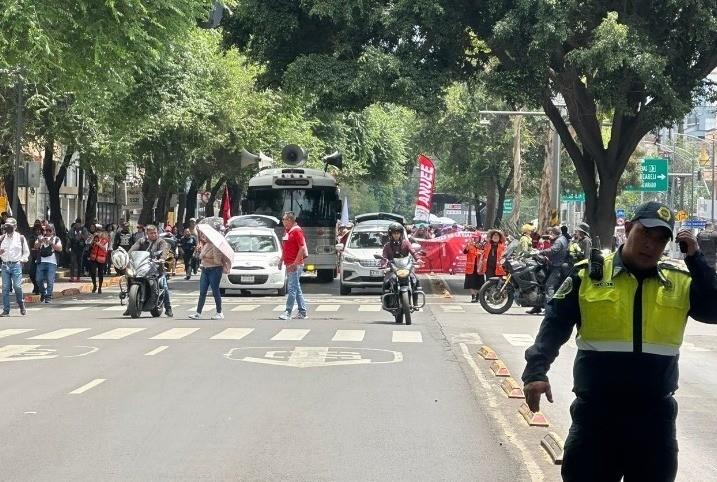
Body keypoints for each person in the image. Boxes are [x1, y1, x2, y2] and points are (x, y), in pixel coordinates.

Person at [522, 202, 717, 482]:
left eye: (661, 239)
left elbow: (713, 309)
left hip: (654, 422)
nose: (651, 244)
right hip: (596, 418)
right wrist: (535, 371)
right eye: (645, 234)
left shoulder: (679, 282)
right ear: (627, 229)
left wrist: (696, 260)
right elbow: (555, 324)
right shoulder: (588, 275)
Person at [126, 225, 173, 317]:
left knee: (163, 286)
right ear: (146, 234)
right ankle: (130, 306)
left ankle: (168, 308)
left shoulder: (161, 242)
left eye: (155, 233)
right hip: (141, 267)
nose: (153, 235)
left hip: (156, 268)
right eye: (151, 233)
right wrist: (126, 256)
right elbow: (132, 250)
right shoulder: (142, 241)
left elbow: (164, 251)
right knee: (130, 279)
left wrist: (162, 259)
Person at [381, 222, 424, 306]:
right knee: (386, 282)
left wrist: (418, 259)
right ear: (391, 234)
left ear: (401, 234)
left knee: (416, 279)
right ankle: (386, 302)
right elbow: (384, 257)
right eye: (394, 233)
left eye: (398, 233)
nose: (396, 235)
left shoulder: (406, 243)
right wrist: (384, 263)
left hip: (406, 268)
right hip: (393, 269)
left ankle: (415, 302)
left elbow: (413, 252)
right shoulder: (387, 246)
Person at [188, 230, 225, 320]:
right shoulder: (206, 245)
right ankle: (198, 313)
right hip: (205, 270)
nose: (204, 237)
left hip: (215, 270)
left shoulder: (216, 247)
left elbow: (217, 261)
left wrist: (205, 258)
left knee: (215, 291)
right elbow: (201, 257)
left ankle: (219, 312)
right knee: (202, 292)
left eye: (206, 236)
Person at [279, 211, 309, 320]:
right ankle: (302, 311)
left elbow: (301, 247)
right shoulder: (287, 231)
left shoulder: (297, 231)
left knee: (292, 288)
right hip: (289, 263)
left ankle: (288, 311)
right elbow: (285, 248)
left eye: (284, 219)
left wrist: (295, 263)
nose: (283, 221)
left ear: (290, 220)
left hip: (295, 264)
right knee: (296, 288)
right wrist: (281, 260)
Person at [0, 218, 29, 315]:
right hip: (5, 265)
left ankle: (21, 304)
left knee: (17, 286)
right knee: (5, 288)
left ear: (15, 227)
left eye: (10, 226)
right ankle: (6, 310)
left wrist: (22, 260)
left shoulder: (20, 238)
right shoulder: (2, 238)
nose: (8, 228)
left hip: (16, 265)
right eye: (6, 226)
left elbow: (26, 252)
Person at [35, 223, 62, 304]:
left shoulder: (56, 239)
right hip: (41, 261)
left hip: (52, 262)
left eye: (50, 230)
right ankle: (43, 293)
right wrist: (40, 241)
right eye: (46, 230)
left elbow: (60, 249)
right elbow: (35, 246)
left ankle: (48, 296)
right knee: (38, 279)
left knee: (50, 280)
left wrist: (51, 243)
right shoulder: (41, 237)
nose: (47, 232)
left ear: (53, 231)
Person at [463, 234, 484, 303]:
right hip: (470, 268)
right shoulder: (470, 245)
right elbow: (465, 252)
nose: (475, 239)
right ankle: (473, 296)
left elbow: (485, 254)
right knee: (470, 283)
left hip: (479, 268)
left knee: (480, 283)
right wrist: (468, 247)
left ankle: (478, 296)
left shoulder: (482, 246)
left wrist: (480, 253)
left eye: (476, 238)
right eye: (474, 237)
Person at [88, 229, 109, 293]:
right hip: (93, 258)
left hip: (101, 259)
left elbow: (105, 249)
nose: (99, 234)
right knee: (93, 272)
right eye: (98, 232)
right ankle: (94, 285)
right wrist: (91, 239)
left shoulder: (105, 241)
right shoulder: (95, 238)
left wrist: (99, 244)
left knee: (100, 273)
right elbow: (88, 243)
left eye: (100, 233)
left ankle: (100, 287)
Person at [27, 220, 43, 294]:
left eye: (39, 229)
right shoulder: (32, 236)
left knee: (39, 274)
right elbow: (31, 246)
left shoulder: (44, 235)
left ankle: (39, 288)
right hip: (34, 257)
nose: (38, 231)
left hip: (43, 258)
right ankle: (36, 286)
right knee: (32, 273)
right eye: (36, 229)